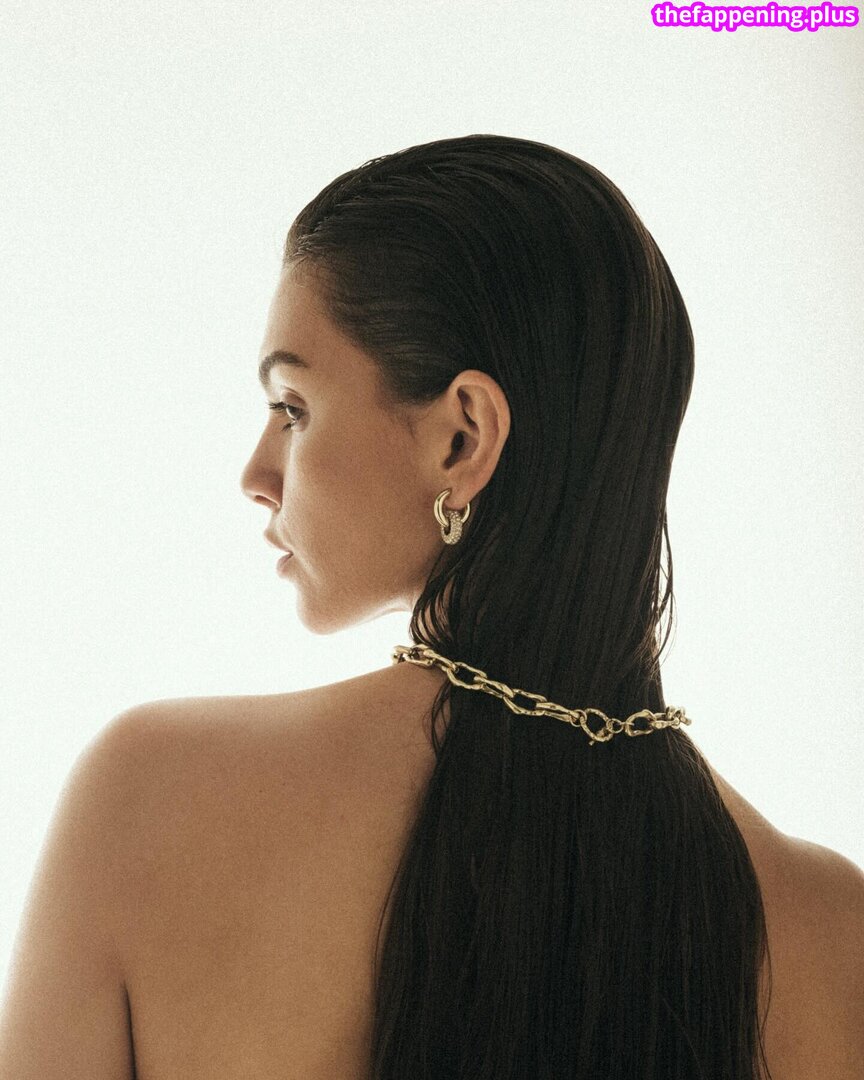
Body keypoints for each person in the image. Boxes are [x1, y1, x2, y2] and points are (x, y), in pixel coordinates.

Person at [1, 134, 862, 1080]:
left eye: (293, 407)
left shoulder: (152, 798)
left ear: (463, 439)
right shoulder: (827, 929)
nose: (256, 472)